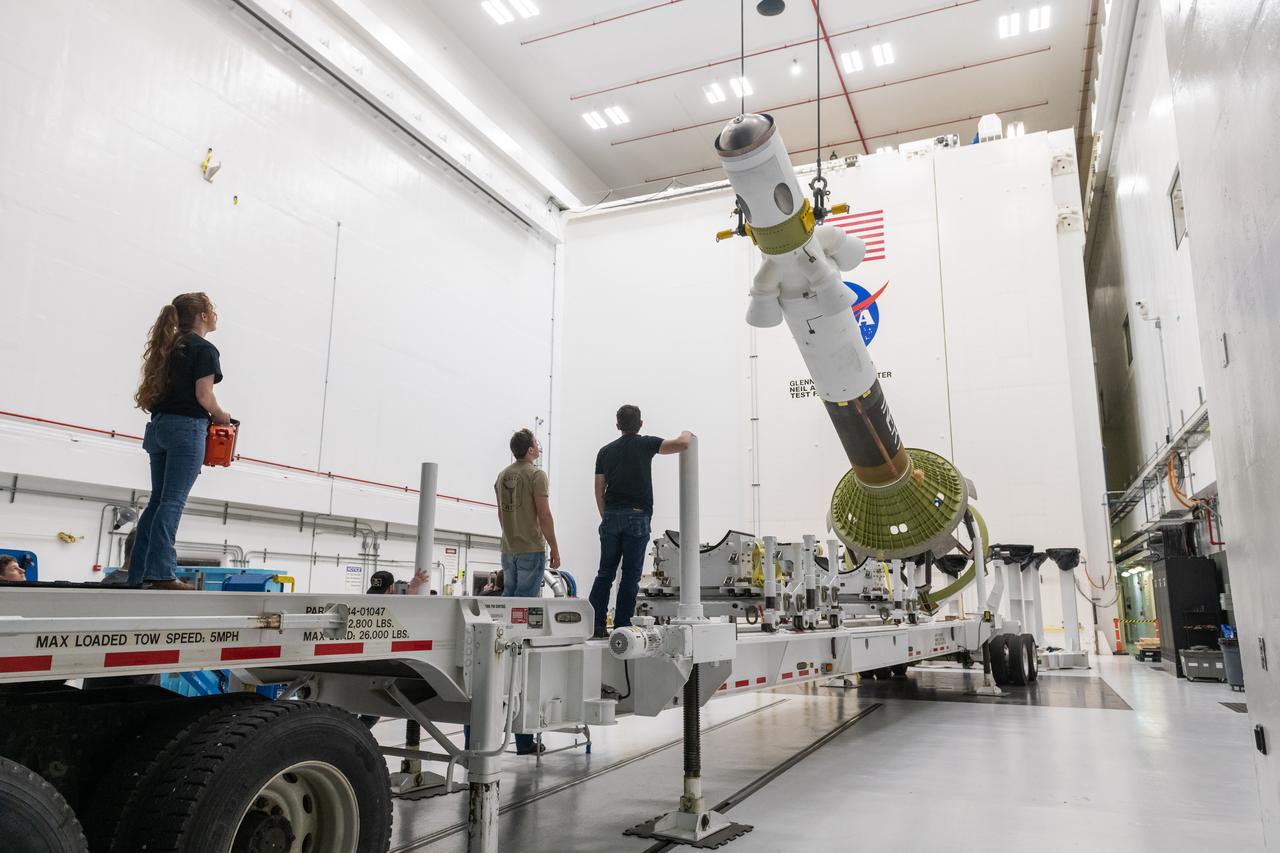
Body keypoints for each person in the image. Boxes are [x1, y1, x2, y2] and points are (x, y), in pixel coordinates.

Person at [128, 293, 231, 590]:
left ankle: (139, 574)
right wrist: (221, 415)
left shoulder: (169, 346)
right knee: (172, 501)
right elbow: (203, 395)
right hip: (186, 428)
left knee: (158, 501)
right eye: (212, 311)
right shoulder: (204, 349)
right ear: (202, 316)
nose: (215, 316)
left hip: (159, 427)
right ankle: (161, 574)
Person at [589, 405, 693, 639]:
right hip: (638, 515)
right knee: (630, 575)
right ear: (641, 424)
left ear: (617, 425)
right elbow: (682, 444)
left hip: (611, 515)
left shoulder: (605, 452)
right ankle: (621, 626)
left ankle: (596, 626)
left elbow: (598, 488)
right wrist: (687, 432)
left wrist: (606, 515)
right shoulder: (646, 444)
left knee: (605, 573)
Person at [495, 428, 558, 756]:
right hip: (532, 549)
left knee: (508, 610)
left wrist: (511, 539)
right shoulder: (537, 475)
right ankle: (520, 663)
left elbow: (501, 515)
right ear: (531, 449)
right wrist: (555, 548)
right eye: (537, 443)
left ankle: (503, 659)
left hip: (508, 549)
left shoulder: (502, 475)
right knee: (525, 616)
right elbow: (543, 514)